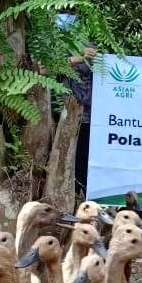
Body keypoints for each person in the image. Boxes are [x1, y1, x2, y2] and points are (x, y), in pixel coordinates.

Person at [56, 11, 97, 197]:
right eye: (63, 13)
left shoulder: (90, 47)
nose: (67, 18)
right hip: (61, 116)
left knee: (82, 164)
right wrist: (78, 58)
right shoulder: (54, 45)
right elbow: (42, 68)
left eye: (71, 14)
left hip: (88, 119)